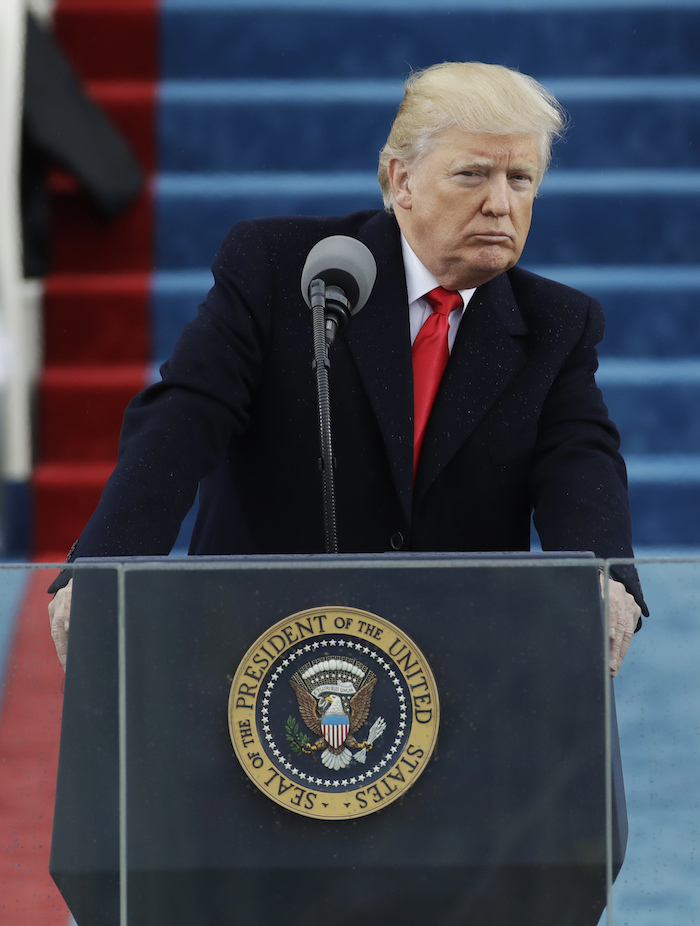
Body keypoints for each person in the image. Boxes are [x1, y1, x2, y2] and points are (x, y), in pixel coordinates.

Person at [49, 61, 645, 672]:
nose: (500, 204)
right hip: (262, 645)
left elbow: (582, 460)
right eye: (474, 175)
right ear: (402, 179)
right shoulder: (284, 271)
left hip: (458, 660)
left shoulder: (557, 324)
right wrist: (107, 563)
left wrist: (604, 573)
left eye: (521, 178)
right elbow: (183, 416)